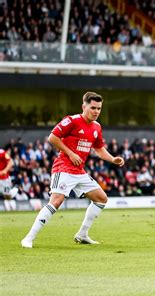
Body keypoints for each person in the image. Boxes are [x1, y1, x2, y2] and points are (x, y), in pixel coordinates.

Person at [21, 92, 125, 248]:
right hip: (63, 167)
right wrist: (70, 153)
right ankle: (28, 238)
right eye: (93, 108)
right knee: (56, 202)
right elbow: (53, 137)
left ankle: (82, 234)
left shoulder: (97, 127)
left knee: (101, 198)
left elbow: (99, 149)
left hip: (79, 171)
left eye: (99, 108)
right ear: (84, 106)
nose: (96, 111)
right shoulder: (72, 120)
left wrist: (112, 159)